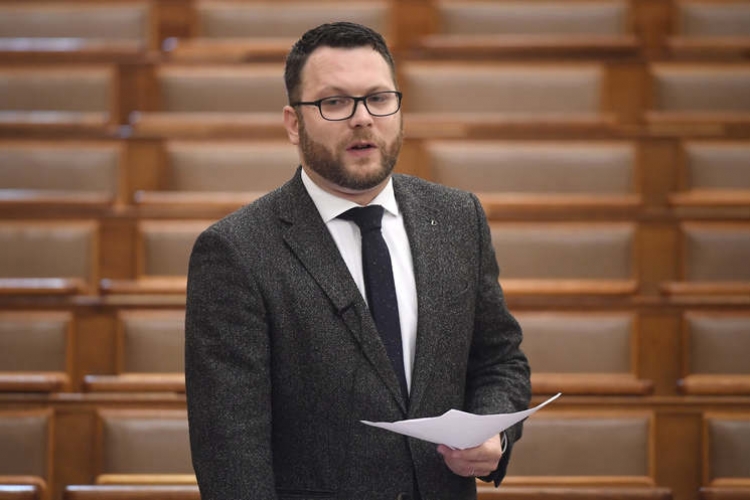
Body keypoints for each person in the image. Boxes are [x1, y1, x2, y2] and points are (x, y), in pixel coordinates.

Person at [185, 21, 531, 500]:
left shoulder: (457, 218)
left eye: (378, 98)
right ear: (293, 123)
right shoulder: (236, 250)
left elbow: (499, 361)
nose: (363, 118)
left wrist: (495, 435)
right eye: (334, 103)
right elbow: (230, 449)